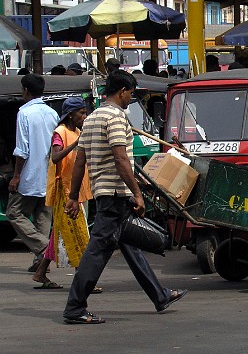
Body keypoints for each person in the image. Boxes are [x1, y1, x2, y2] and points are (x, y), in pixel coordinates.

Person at [62, 70, 186, 324]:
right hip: (115, 194)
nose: (131, 98)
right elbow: (121, 159)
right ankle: (75, 307)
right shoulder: (117, 117)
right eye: (131, 93)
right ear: (122, 92)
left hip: (104, 192)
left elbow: (79, 162)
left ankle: (159, 295)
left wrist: (74, 196)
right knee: (97, 252)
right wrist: (137, 193)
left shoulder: (93, 118)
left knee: (129, 245)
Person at [32, 97, 93, 289]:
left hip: (76, 188)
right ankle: (82, 281)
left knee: (58, 233)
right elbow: (56, 156)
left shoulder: (77, 131)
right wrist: (76, 145)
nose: (84, 116)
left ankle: (40, 273)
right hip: (64, 191)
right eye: (81, 113)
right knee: (79, 233)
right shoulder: (60, 132)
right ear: (70, 115)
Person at [7, 74, 59, 272]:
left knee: (14, 212)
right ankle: (40, 261)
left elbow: (22, 149)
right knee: (43, 216)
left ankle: (44, 248)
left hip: (30, 173)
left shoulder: (25, 113)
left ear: (26, 91)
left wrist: (17, 175)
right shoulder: (51, 113)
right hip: (49, 173)